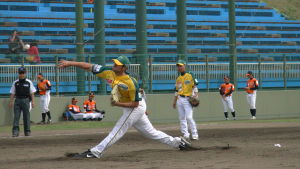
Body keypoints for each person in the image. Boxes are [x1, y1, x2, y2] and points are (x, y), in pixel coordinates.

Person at [58, 55, 192, 158]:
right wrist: (70, 63)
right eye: (114, 63)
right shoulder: (108, 72)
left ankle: (95, 152)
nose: (114, 65)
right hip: (131, 106)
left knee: (117, 130)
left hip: (134, 107)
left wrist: (117, 104)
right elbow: (88, 66)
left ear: (124, 68)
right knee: (151, 133)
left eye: (117, 64)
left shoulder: (130, 82)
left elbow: (136, 103)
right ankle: (177, 142)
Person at [173, 59, 199, 141]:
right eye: (178, 66)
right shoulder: (178, 78)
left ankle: (194, 134)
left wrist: (196, 95)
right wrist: (174, 101)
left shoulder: (190, 75)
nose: (179, 67)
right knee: (182, 118)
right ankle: (186, 134)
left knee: (189, 117)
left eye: (181, 66)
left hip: (188, 99)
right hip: (179, 99)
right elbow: (177, 91)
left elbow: (195, 86)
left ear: (184, 65)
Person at [9, 67, 36, 137]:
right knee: (16, 117)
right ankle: (15, 132)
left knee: (26, 116)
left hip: (26, 100)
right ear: (18, 73)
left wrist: (33, 102)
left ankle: (27, 131)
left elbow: (32, 93)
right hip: (17, 100)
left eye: (23, 73)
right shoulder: (15, 82)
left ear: (25, 73)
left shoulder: (29, 82)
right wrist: (11, 101)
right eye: (20, 73)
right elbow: (12, 93)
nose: (22, 74)